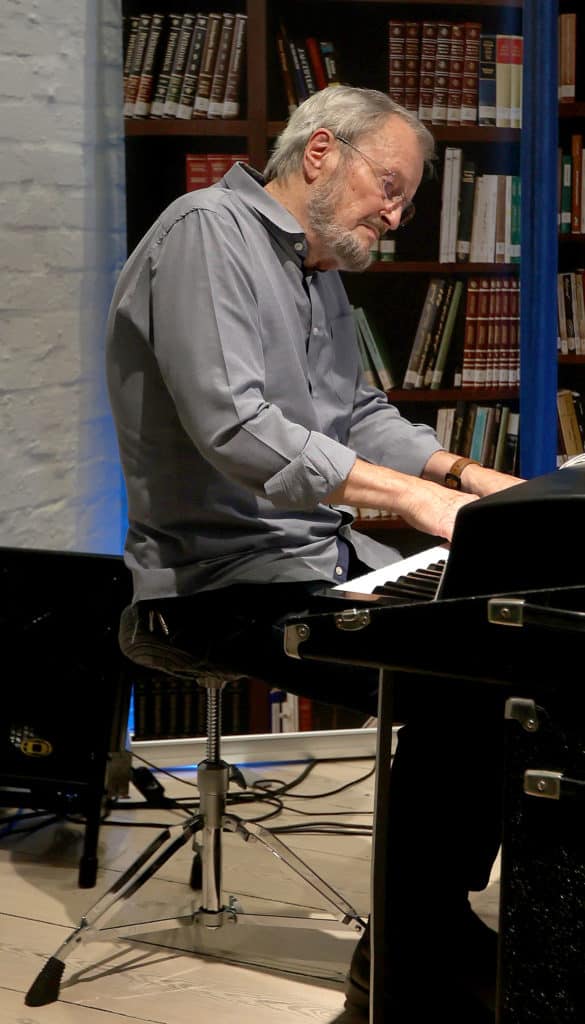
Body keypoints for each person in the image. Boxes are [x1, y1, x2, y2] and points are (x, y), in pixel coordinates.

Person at [106, 86, 523, 1021]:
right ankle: (414, 952)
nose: (396, 215)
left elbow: (357, 412)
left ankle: (429, 931)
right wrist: (416, 500)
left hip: (316, 560)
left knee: (508, 645)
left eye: (405, 199)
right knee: (469, 677)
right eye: (391, 187)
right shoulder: (204, 233)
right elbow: (236, 427)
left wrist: (469, 475)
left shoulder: (312, 265)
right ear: (321, 151)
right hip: (217, 584)